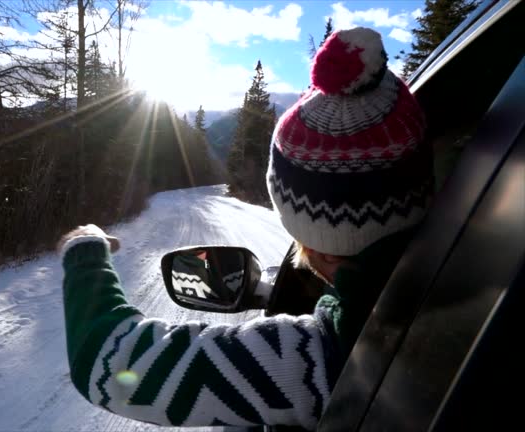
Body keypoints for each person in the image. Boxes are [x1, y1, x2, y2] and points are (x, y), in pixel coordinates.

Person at [57, 27, 432, 429]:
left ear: (319, 244)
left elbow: (107, 364)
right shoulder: (457, 270)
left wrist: (85, 253)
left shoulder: (324, 357)